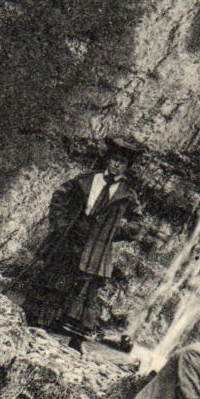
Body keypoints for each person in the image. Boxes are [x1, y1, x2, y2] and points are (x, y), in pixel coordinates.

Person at [23, 137, 144, 348]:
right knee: (55, 280)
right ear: (108, 160)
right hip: (70, 239)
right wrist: (61, 224)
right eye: (114, 160)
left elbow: (137, 224)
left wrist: (116, 230)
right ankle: (37, 324)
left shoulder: (127, 194)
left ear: (126, 167)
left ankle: (75, 340)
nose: (116, 165)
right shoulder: (88, 180)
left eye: (121, 162)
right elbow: (60, 196)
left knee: (86, 291)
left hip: (97, 248)